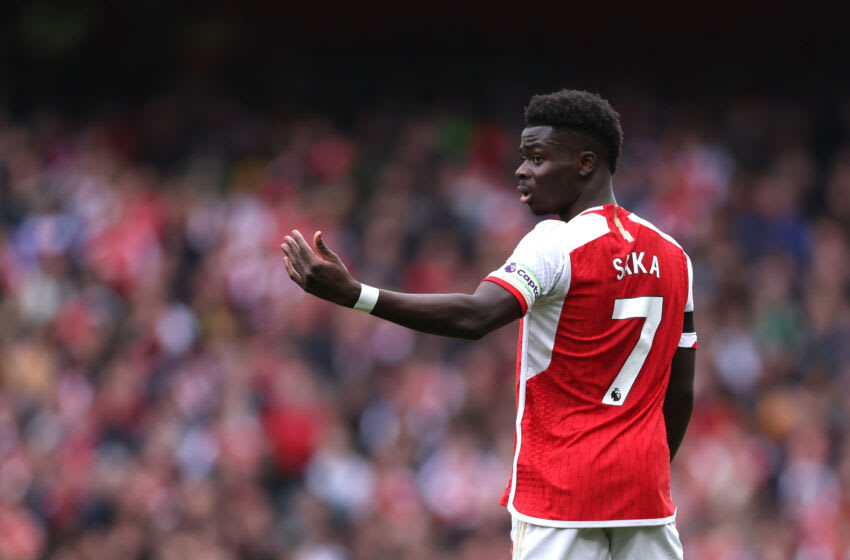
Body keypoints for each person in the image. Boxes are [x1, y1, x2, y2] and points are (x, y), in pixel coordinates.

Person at [281, 89, 697, 560]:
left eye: (537, 158)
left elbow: (477, 315)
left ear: (585, 163)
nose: (521, 170)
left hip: (561, 499)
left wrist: (357, 295)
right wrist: (644, 469)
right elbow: (681, 392)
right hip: (645, 501)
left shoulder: (555, 243)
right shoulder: (674, 257)